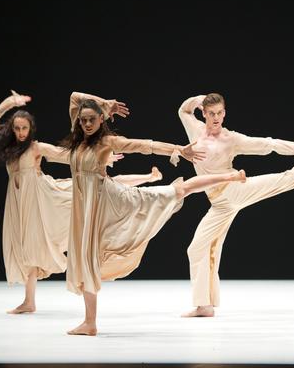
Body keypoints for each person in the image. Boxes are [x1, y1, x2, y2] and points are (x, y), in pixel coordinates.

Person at [60, 92, 248, 336]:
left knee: (174, 192)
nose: (86, 124)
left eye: (91, 120)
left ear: (101, 121)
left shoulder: (106, 141)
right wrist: (107, 104)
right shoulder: (78, 140)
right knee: (86, 259)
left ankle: (230, 176)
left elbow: (144, 146)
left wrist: (178, 149)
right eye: (83, 120)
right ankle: (90, 322)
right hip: (84, 207)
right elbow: (75, 97)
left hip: (107, 200)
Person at [178, 93, 294, 317]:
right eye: (211, 113)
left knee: (284, 179)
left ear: (225, 113)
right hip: (219, 204)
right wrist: (198, 98)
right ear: (204, 113)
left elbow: (270, 145)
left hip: (235, 191)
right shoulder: (195, 131)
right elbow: (183, 111)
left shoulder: (231, 139)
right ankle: (204, 306)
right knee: (198, 248)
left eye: (220, 113)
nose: (216, 118)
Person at [0, 91, 164, 314]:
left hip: (41, 197)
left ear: (31, 130)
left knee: (108, 183)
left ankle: (147, 177)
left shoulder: (37, 148)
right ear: (12, 129)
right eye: (17, 128)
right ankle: (29, 301)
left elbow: (68, 155)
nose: (21, 132)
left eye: (24, 128)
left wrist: (101, 156)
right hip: (17, 201)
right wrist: (10, 103)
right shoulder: (8, 148)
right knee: (23, 246)